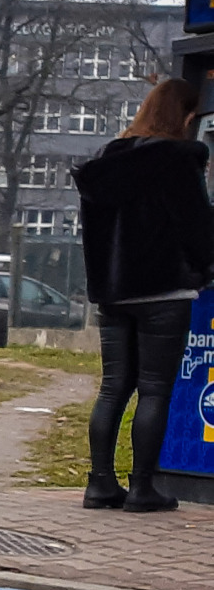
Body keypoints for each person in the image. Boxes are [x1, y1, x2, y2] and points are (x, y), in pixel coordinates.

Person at [73, 77, 214, 513]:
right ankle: (142, 488)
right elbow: (197, 228)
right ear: (187, 117)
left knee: (114, 387)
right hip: (163, 291)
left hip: (114, 295)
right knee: (154, 389)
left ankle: (100, 484)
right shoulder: (176, 161)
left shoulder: (105, 162)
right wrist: (205, 268)